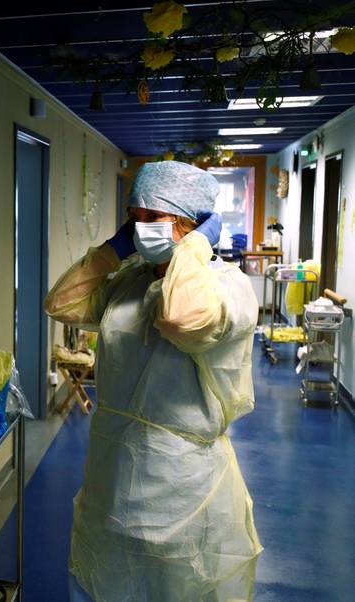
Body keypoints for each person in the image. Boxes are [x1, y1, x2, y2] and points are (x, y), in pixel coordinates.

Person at [44, 161, 262, 601]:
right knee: (114, 584)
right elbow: (61, 304)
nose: (140, 228)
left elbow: (182, 318)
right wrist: (111, 251)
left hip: (182, 482)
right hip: (113, 472)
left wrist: (193, 250)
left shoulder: (228, 287)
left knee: (178, 586)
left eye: (153, 218)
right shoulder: (128, 281)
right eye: (134, 217)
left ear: (186, 223)